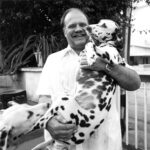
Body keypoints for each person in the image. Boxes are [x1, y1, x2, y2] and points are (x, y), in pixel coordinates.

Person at [36, 8, 141, 150]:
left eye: (82, 24)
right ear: (64, 31)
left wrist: (105, 66)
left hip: (104, 144)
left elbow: (135, 83)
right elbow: (44, 98)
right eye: (72, 26)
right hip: (63, 144)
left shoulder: (108, 54)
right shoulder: (53, 60)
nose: (78, 29)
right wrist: (48, 122)